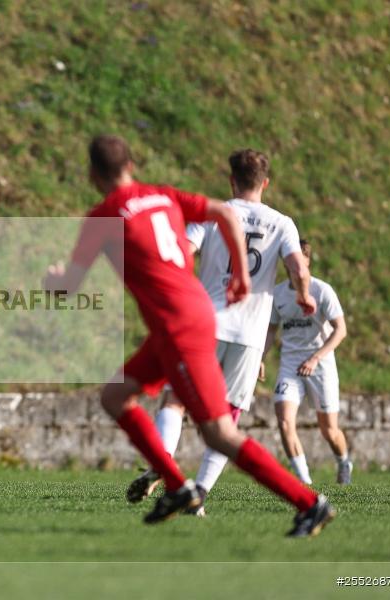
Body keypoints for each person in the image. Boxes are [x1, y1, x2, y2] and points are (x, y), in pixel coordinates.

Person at [43, 135, 334, 536]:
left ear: (92, 174)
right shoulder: (162, 195)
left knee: (219, 431)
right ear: (131, 166)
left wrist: (52, 280)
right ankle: (177, 487)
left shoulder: (104, 217)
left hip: (181, 326)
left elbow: (68, 286)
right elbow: (223, 213)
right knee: (115, 395)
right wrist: (242, 275)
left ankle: (309, 503)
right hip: (191, 317)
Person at [126, 149, 315, 514]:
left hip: (206, 323)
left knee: (175, 400)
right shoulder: (282, 223)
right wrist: (304, 295)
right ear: (265, 183)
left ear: (232, 180)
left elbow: (183, 252)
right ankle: (198, 495)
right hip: (250, 335)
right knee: (227, 421)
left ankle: (162, 463)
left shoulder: (213, 214)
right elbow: (298, 269)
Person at [264, 240, 352, 485]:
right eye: (289, 260)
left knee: (329, 430)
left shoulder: (322, 291)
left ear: (307, 261)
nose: (293, 266)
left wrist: (315, 358)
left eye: (298, 260)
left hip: (320, 365)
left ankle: (344, 461)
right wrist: (260, 358)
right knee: (284, 422)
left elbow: (341, 330)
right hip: (290, 365)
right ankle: (305, 484)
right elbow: (271, 330)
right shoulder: (278, 294)